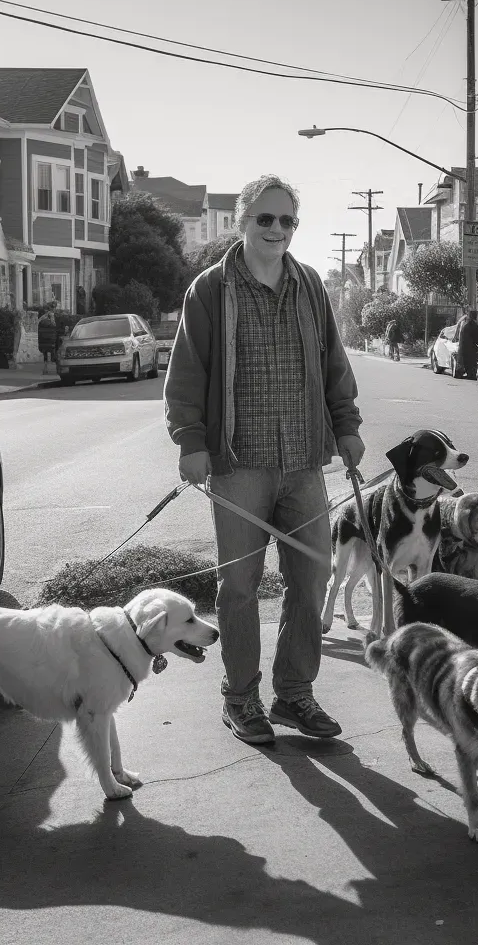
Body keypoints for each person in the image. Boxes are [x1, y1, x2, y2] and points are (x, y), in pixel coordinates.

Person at [164, 174, 365, 746]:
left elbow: (334, 368)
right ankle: (242, 699)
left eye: (286, 221)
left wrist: (346, 428)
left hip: (303, 461)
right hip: (238, 464)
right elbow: (188, 373)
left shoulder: (309, 287)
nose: (276, 230)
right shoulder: (211, 290)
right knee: (240, 587)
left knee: (311, 575)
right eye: (265, 219)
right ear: (242, 221)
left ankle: (294, 696)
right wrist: (191, 442)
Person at [457, 309, 478, 380]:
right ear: (475, 316)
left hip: (466, 348)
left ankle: (462, 373)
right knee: (470, 363)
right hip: (470, 349)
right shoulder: (472, 325)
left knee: (465, 362)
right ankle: (471, 374)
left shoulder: (467, 324)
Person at [38, 305, 58, 374]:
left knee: (45, 355)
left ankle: (45, 369)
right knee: (54, 355)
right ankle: (56, 369)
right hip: (51, 342)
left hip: (43, 341)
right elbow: (55, 327)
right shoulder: (52, 322)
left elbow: (38, 323)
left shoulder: (42, 320)